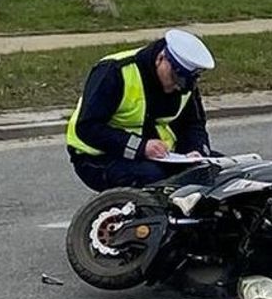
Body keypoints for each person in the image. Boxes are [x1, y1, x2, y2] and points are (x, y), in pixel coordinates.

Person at [66, 28, 216, 192]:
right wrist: (141, 147)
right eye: (174, 78)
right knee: (153, 177)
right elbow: (88, 127)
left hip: (157, 155)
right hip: (97, 156)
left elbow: (193, 123)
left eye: (184, 83)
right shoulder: (115, 71)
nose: (176, 87)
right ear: (161, 58)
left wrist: (196, 151)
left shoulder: (183, 85)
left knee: (218, 173)